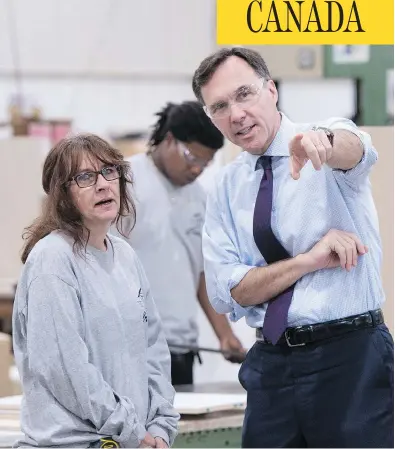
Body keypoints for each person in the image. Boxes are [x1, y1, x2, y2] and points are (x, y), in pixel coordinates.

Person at [191, 47, 394, 448]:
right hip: (271, 364)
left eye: (244, 94)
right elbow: (231, 291)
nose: (236, 114)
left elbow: (358, 149)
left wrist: (327, 141)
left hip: (348, 357)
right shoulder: (226, 188)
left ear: (271, 90)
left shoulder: (322, 143)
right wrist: (310, 260)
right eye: (220, 106)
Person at [12, 134, 179, 448]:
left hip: (131, 440)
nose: (103, 184)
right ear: (61, 193)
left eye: (109, 171)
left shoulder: (124, 254)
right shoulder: (53, 260)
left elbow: (152, 350)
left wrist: (159, 425)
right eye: (85, 177)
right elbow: (67, 370)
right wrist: (131, 430)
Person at [112, 101, 245, 386]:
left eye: (205, 163)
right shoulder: (123, 184)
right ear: (169, 139)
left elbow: (200, 274)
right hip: (131, 349)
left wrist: (224, 334)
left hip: (182, 349)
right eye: (191, 158)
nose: (197, 169)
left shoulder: (199, 199)